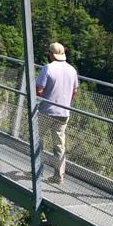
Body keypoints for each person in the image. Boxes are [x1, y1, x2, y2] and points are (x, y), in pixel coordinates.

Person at [35, 42, 78, 185]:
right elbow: (74, 91)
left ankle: (37, 170)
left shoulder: (48, 68)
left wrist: (43, 100)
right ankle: (58, 176)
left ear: (51, 54)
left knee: (37, 140)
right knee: (59, 145)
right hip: (63, 112)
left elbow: (39, 90)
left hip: (46, 111)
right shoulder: (72, 70)